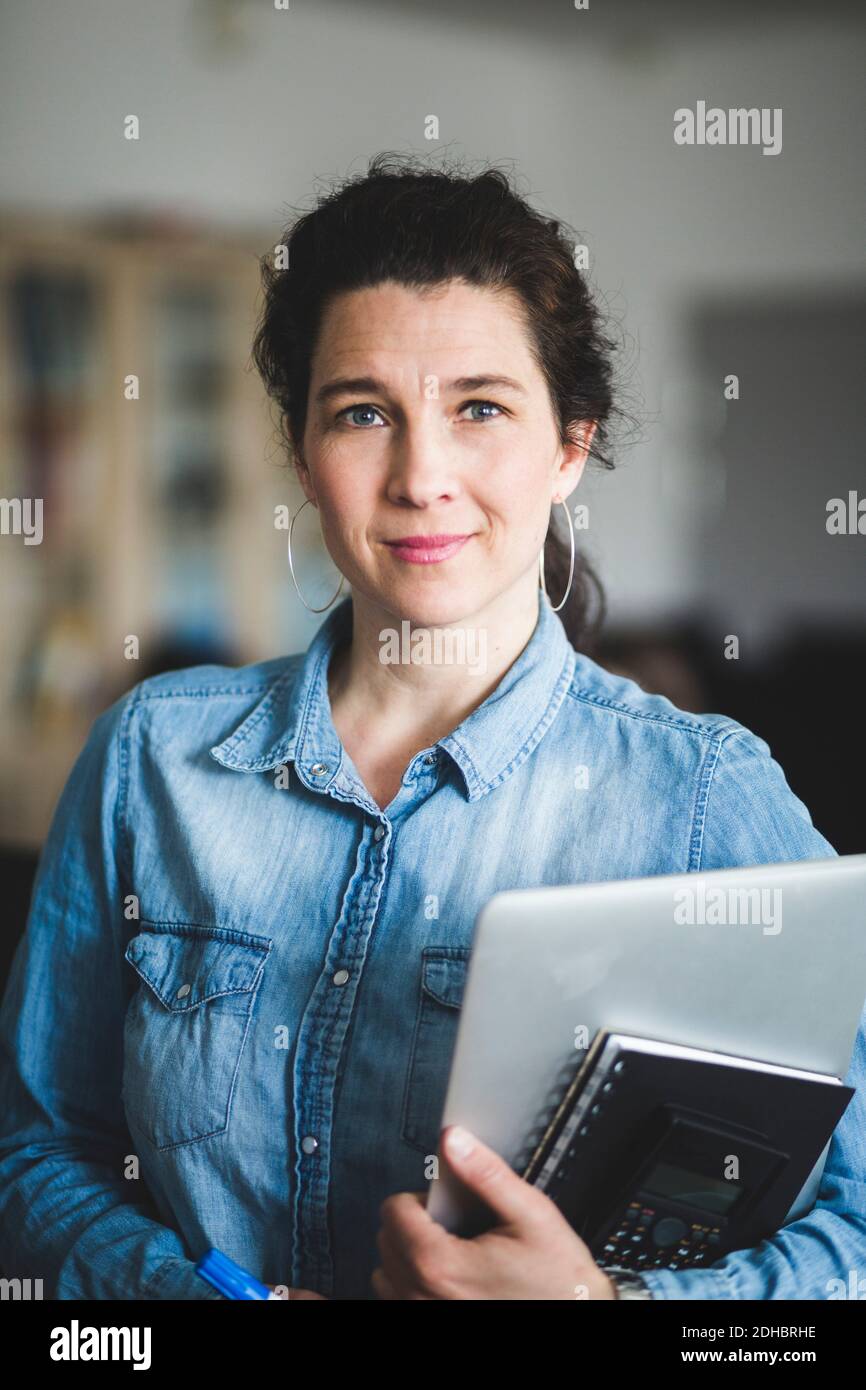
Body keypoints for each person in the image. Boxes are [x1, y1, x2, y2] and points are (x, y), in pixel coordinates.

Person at [1, 155, 863, 1302]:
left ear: (568, 447)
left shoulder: (702, 796)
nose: (420, 475)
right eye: (363, 412)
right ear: (303, 456)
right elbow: (37, 1151)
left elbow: (850, 1226)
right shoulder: (147, 761)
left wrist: (603, 1307)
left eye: (479, 408)